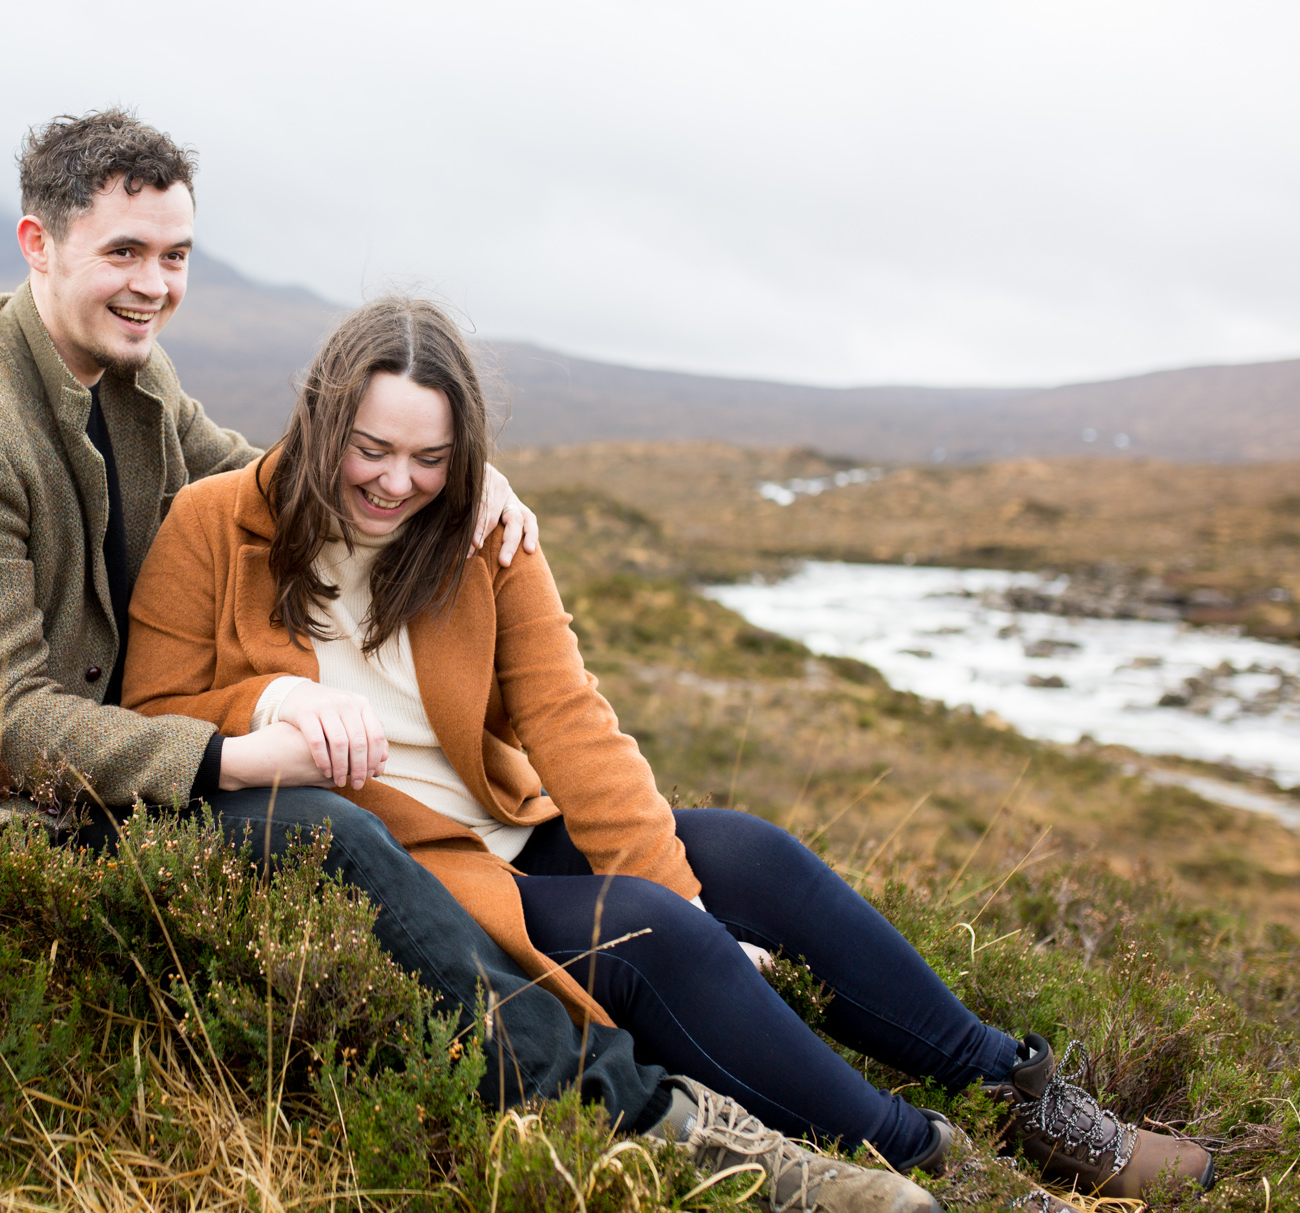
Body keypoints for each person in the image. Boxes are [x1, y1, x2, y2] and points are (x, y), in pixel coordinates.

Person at [0, 112, 949, 1213]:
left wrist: (440, 477)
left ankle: (997, 1088)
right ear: (36, 245)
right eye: (123, 252)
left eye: (175, 253)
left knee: (707, 853)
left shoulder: (133, 384)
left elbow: (268, 486)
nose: (153, 282)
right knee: (324, 824)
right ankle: (648, 1127)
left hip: (128, 755)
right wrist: (232, 752)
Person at [123, 295, 1218, 1201]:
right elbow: (155, 710)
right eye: (370, 449)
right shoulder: (213, 527)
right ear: (319, 419)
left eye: (429, 458)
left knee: (745, 857)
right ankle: (935, 1163)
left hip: (509, 830)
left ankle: (1021, 1090)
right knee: (657, 940)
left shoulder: (479, 539)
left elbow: (569, 725)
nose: (395, 482)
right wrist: (268, 702)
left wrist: (692, 893)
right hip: (415, 867)